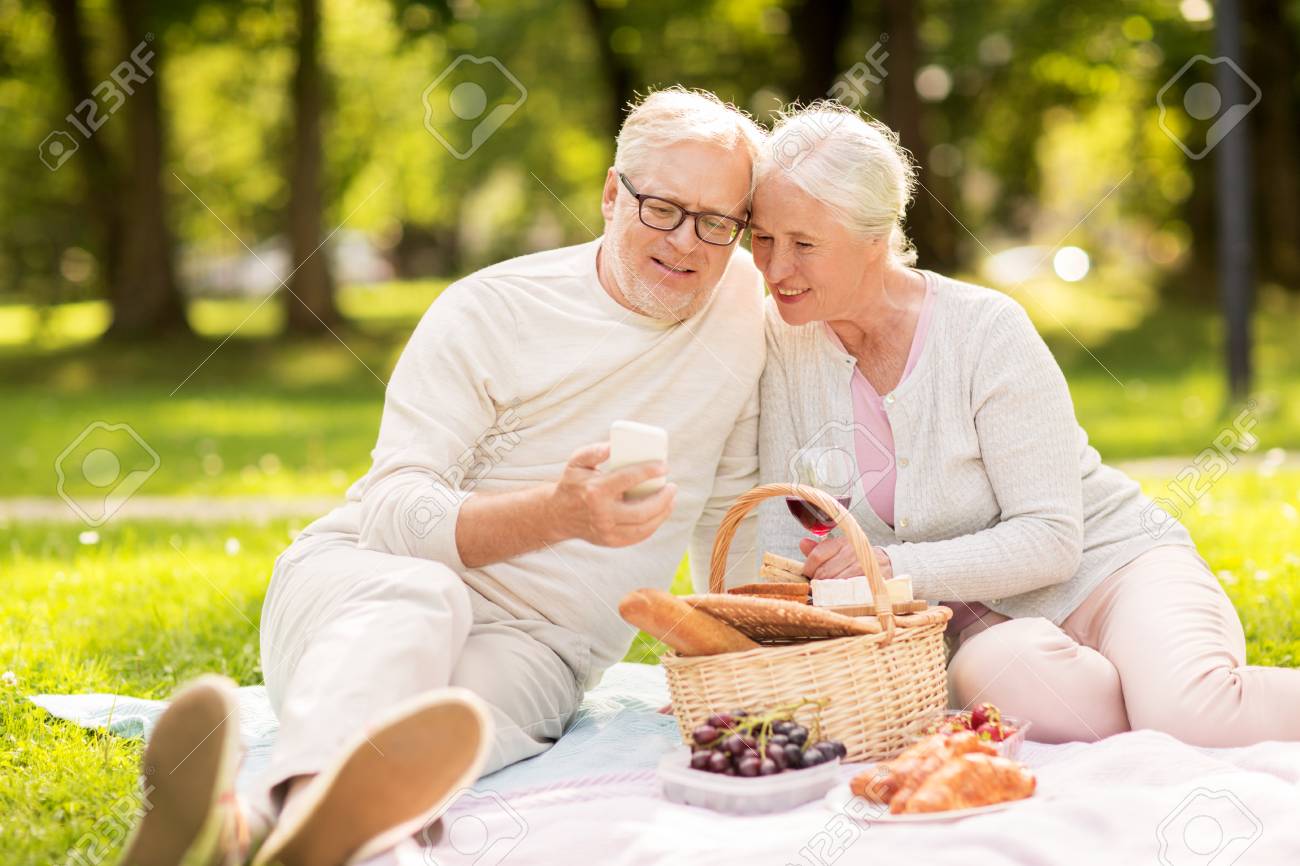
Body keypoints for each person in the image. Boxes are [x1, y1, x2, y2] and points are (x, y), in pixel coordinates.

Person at [115, 86, 766, 866]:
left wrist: (736, 664)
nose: (689, 243)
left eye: (718, 222)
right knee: (423, 599)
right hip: (365, 582)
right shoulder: (491, 311)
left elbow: (731, 510)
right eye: (662, 207)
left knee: (438, 733)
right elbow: (394, 509)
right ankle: (275, 816)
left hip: (539, 650)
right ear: (608, 194)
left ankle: (252, 829)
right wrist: (558, 516)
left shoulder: (742, 313)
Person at [752, 101, 1300, 749]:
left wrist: (887, 564)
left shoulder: (984, 329)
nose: (775, 268)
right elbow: (786, 536)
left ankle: (1180, 696)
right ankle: (1159, 701)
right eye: (762, 238)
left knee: (1192, 714)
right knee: (987, 674)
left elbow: (1050, 540)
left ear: (875, 239)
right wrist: (755, 654)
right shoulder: (783, 346)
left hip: (1115, 572)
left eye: (804, 245)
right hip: (1005, 642)